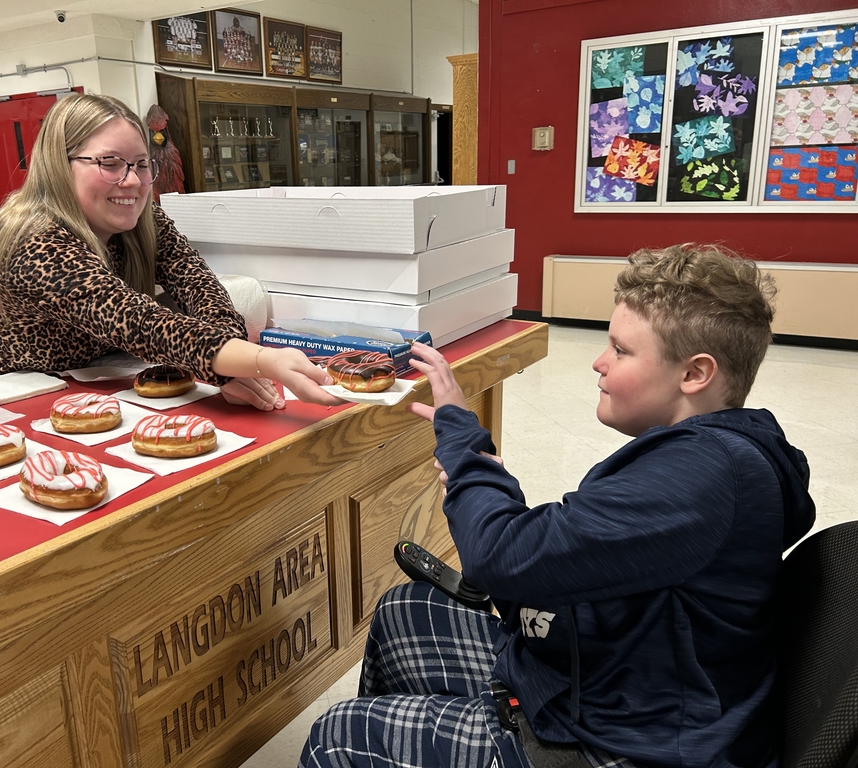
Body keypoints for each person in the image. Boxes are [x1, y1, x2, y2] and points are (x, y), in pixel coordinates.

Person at [300, 244, 816, 768]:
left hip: (628, 742)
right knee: (402, 611)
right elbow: (559, 551)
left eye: (621, 350)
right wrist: (481, 473)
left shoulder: (703, 477)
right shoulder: (706, 455)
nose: (599, 361)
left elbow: (500, 556)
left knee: (338, 737)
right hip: (610, 677)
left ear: (694, 375)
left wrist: (466, 457)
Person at [0, 93, 338, 410]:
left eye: (140, 164)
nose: (132, 181)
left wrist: (230, 371)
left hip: (93, 391)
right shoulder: (33, 242)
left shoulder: (145, 219)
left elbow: (201, 287)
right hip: (0, 409)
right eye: (110, 163)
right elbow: (138, 322)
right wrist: (261, 360)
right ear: (58, 166)